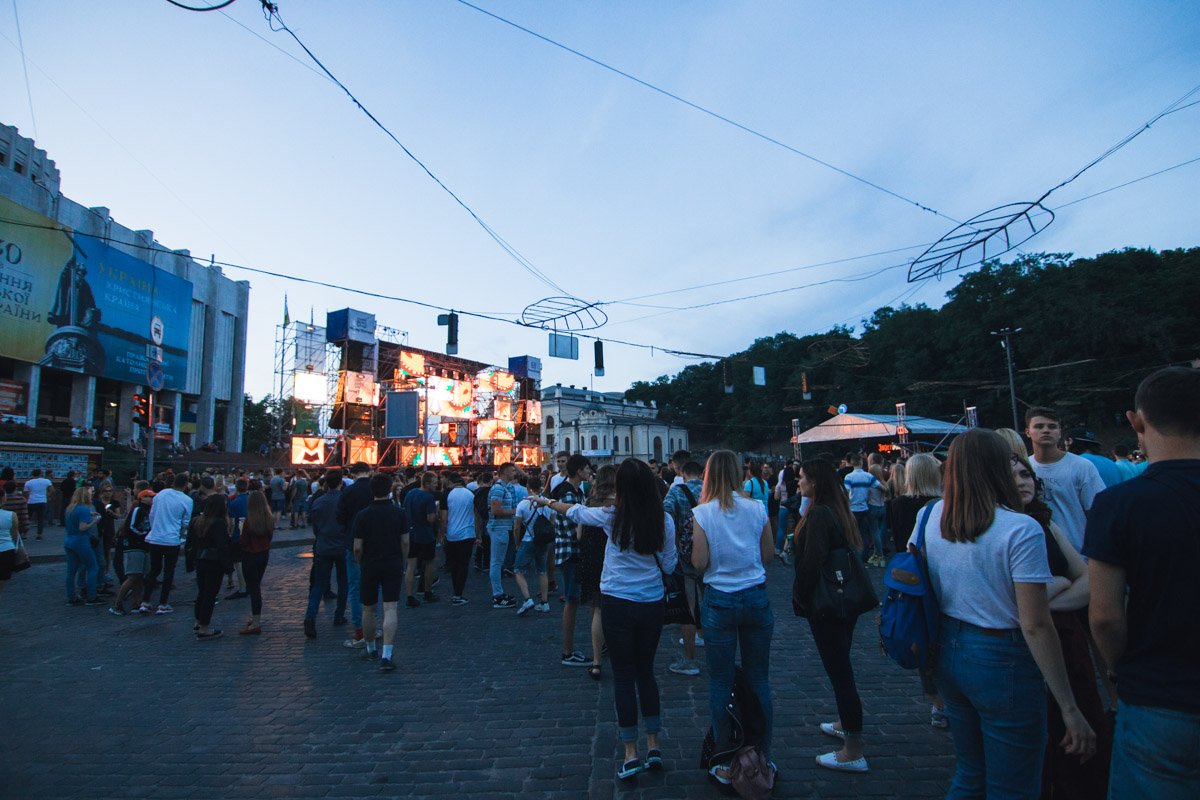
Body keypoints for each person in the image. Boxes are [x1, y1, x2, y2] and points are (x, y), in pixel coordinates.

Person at [925, 429, 1095, 796]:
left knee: (970, 773)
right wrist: (1068, 706)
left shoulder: (932, 515)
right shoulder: (1020, 528)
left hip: (948, 648)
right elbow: (1035, 624)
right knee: (1013, 787)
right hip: (1003, 655)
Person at [1085, 366, 1200, 799]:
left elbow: (1105, 617)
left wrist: (1116, 668)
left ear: (1136, 421)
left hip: (1159, 693)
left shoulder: (1119, 504)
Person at [537, 458, 677, 780]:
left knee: (624, 678)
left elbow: (574, 512)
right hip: (651, 603)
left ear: (621, 489)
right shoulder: (664, 520)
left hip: (616, 601)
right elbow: (669, 566)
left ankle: (630, 754)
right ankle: (653, 746)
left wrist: (544, 500)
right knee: (647, 674)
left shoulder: (612, 516)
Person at [1012, 451, 1111, 797]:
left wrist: (1044, 602)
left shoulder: (1046, 522)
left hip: (1066, 641)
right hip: (1025, 650)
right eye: (1013, 476)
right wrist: (1056, 587)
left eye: (1026, 475)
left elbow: (1087, 580)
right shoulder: (1005, 528)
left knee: (1083, 745)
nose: (1022, 482)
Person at [691, 450, 776, 785]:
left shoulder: (703, 512)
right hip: (755, 596)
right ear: (741, 473)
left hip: (720, 601)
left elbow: (699, 563)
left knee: (720, 682)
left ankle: (726, 760)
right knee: (759, 680)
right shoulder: (757, 508)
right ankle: (764, 757)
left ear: (709, 475)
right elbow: (767, 555)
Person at [792, 458, 871, 772]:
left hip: (827, 603)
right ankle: (844, 722)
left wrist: (800, 595)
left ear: (814, 482)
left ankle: (853, 749)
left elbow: (812, 562)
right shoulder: (837, 508)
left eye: (801, 478)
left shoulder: (820, 514)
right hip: (844, 601)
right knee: (842, 666)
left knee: (840, 674)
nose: (798, 482)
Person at [1026, 408, 1106, 551]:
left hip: (1079, 549)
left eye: (1052, 426)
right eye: (1039, 426)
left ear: (1060, 432)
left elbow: (1098, 512)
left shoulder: (1082, 466)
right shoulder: (1024, 468)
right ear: (1027, 432)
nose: (1046, 430)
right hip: (1038, 551)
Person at [352, 473, 410, 672]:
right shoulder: (399, 513)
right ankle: (387, 654)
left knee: (368, 608)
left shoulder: (362, 515)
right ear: (390, 490)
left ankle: (370, 649)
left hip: (369, 563)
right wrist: (402, 561)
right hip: (392, 562)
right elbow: (405, 542)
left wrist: (361, 562)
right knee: (390, 608)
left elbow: (357, 547)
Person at [662, 459, 704, 677]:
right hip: (711, 554)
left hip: (687, 553)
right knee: (709, 594)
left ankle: (690, 658)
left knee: (689, 602)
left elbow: (665, 516)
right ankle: (708, 635)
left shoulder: (677, 491)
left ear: (683, 473)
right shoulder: (712, 489)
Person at [548, 454, 591, 665]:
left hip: (569, 550)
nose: (590, 471)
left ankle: (570, 648)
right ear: (579, 471)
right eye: (587, 468)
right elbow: (575, 528)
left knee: (574, 600)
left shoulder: (573, 490)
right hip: (571, 550)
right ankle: (568, 651)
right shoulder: (568, 494)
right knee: (572, 600)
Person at [577, 465, 616, 679]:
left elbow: (579, 535)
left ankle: (596, 659)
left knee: (597, 608)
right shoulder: (620, 505)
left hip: (592, 558)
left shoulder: (589, 503)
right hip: (613, 560)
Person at [305, 468, 348, 639]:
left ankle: (310, 616)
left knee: (318, 585)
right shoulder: (345, 501)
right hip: (342, 546)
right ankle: (339, 615)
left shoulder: (319, 501)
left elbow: (314, 526)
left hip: (323, 545)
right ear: (340, 483)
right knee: (343, 582)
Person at [143, 473, 193, 615]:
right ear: (185, 485)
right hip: (172, 539)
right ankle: (163, 603)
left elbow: (152, 514)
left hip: (156, 537)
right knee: (169, 571)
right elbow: (186, 522)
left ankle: (145, 601)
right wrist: (181, 536)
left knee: (154, 569)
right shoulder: (187, 500)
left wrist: (155, 528)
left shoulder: (161, 495)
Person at [186, 494, 233, 640]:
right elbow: (222, 546)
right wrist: (228, 566)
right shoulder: (218, 523)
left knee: (202, 592)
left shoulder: (197, 521)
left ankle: (198, 621)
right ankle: (204, 628)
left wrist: (190, 561)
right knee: (210, 595)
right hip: (214, 562)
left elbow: (190, 544)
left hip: (200, 560)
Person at [337, 462, 374, 647]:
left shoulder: (348, 492)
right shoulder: (375, 488)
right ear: (369, 472)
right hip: (376, 542)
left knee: (355, 587)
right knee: (375, 585)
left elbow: (340, 518)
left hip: (353, 541)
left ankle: (360, 629)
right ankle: (373, 625)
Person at [512, 475, 552, 615]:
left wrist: (517, 543)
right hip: (543, 541)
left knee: (518, 570)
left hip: (528, 540)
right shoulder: (547, 502)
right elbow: (552, 522)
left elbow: (517, 527)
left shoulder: (523, 504)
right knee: (542, 571)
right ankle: (545, 602)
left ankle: (527, 598)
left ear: (528, 488)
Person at [238, 490, 274, 635]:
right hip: (263, 554)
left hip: (250, 555)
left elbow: (243, 542)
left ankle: (256, 622)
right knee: (256, 586)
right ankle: (255, 618)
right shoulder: (269, 518)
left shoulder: (249, 521)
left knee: (253, 589)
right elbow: (270, 537)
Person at [111, 489, 153, 616]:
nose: (151, 499)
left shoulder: (147, 511)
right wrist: (144, 535)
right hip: (134, 545)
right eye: (149, 497)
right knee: (133, 576)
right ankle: (117, 604)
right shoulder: (138, 510)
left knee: (139, 577)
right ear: (142, 498)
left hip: (143, 546)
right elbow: (132, 526)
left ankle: (136, 603)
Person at [402, 472, 439, 608]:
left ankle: (409, 596)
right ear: (427, 483)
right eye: (434, 482)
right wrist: (436, 513)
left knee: (410, 566)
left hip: (411, 534)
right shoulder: (429, 497)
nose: (437, 484)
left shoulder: (411, 493)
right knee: (429, 563)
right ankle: (427, 592)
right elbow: (430, 518)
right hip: (425, 534)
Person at [64, 486, 104, 606]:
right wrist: (94, 521)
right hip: (81, 541)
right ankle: (92, 596)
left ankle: (72, 597)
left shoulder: (70, 508)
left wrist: (90, 514)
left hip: (69, 540)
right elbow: (83, 527)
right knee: (93, 567)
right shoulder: (84, 509)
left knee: (71, 571)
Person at [487, 463, 520, 609]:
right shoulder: (499, 488)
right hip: (498, 528)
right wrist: (514, 511)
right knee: (496, 562)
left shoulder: (506, 487)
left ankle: (499, 593)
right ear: (505, 472)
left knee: (497, 561)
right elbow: (495, 509)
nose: (515, 473)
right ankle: (497, 595)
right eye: (513, 470)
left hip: (503, 528)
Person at [442, 472, 475, 605]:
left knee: (454, 565)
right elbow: (475, 513)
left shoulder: (447, 495)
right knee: (464, 565)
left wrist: (442, 532)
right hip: (468, 533)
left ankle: (456, 592)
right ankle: (459, 593)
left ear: (450, 482)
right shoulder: (470, 494)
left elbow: (444, 517)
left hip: (452, 534)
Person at [842, 454, 880, 564]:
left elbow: (847, 492)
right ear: (861, 462)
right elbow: (879, 486)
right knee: (864, 533)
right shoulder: (868, 476)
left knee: (852, 532)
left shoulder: (848, 477)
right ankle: (864, 556)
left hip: (853, 508)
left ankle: (854, 556)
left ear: (852, 463)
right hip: (865, 507)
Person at [865, 463, 889, 566]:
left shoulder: (871, 484)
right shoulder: (884, 483)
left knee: (874, 532)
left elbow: (866, 497)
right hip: (882, 507)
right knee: (880, 531)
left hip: (873, 507)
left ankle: (879, 554)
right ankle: (879, 553)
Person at [0, 484, 21, 596]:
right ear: (3, 498)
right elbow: (15, 535)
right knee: (2, 578)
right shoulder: (11, 515)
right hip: (6, 549)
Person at [22, 468, 52, 540]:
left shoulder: (28, 482)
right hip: (42, 501)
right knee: (40, 519)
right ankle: (39, 535)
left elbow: (25, 493)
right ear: (40, 474)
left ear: (32, 474)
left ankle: (24, 534)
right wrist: (47, 495)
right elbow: (51, 490)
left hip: (31, 501)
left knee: (27, 518)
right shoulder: (46, 481)